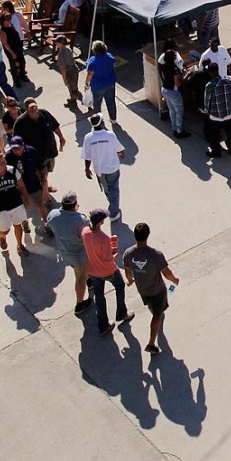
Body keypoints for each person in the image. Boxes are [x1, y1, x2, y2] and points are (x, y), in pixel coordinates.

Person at [124, 222, 180, 354]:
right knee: (157, 316)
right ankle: (151, 343)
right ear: (148, 235)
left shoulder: (128, 253)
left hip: (142, 289)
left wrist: (130, 279)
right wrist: (175, 280)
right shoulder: (155, 254)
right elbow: (166, 273)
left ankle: (157, 313)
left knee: (151, 305)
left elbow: (127, 270)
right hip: (157, 290)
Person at [83, 208, 132, 335]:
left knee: (99, 296)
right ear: (101, 222)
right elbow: (109, 258)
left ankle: (103, 325)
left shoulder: (85, 232)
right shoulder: (103, 238)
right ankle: (122, 312)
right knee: (120, 286)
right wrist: (115, 251)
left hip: (93, 271)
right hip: (108, 270)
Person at [49, 192, 93, 315]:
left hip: (64, 251)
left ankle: (89, 280)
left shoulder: (52, 215)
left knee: (80, 272)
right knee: (80, 278)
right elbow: (87, 236)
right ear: (75, 205)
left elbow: (50, 226)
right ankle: (80, 304)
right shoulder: (81, 220)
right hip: (78, 254)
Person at [82, 114, 125, 222]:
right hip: (112, 169)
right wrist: (121, 154)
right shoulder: (110, 135)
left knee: (107, 189)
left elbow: (87, 157)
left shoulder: (88, 138)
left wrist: (87, 169)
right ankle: (113, 214)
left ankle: (112, 202)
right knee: (114, 190)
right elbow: (120, 150)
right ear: (101, 123)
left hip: (99, 171)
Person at [13, 98, 64, 188]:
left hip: (50, 151)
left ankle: (43, 186)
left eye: (34, 107)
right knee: (41, 175)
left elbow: (55, 126)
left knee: (48, 170)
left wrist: (61, 137)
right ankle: (43, 190)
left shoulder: (45, 114)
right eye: (30, 108)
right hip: (35, 156)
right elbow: (16, 141)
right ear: (26, 109)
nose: (33, 110)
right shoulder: (20, 123)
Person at [203, 59, 231, 158]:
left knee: (215, 135)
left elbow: (207, 102)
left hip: (215, 116)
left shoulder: (209, 86)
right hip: (227, 114)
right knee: (229, 133)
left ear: (210, 72)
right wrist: (230, 109)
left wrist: (207, 113)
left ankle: (216, 152)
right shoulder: (227, 82)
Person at [158, 44, 189, 137]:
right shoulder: (175, 68)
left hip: (165, 89)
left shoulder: (163, 66)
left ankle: (174, 128)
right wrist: (186, 75)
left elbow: (163, 77)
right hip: (173, 92)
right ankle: (179, 131)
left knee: (171, 110)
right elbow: (178, 83)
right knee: (179, 111)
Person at [85, 40, 118, 123]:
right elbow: (113, 64)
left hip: (98, 86)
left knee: (97, 104)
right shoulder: (109, 56)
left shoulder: (92, 61)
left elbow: (90, 74)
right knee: (111, 102)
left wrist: (86, 83)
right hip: (110, 83)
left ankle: (99, 120)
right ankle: (113, 119)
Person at [0, 0, 28, 87]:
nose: (9, 21)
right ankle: (16, 80)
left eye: (10, 19)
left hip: (17, 46)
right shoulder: (3, 31)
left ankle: (22, 75)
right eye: (7, 20)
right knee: (13, 65)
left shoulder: (12, 26)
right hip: (10, 49)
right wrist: (12, 53)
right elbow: (5, 44)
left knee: (22, 62)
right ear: (3, 21)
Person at [52, 35, 83, 108]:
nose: (56, 43)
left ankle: (85, 101)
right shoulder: (68, 49)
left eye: (57, 42)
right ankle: (72, 101)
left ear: (61, 43)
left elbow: (63, 68)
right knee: (73, 88)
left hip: (69, 73)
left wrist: (64, 79)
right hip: (74, 70)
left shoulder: (61, 54)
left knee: (73, 90)